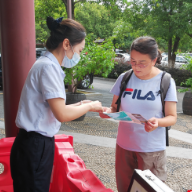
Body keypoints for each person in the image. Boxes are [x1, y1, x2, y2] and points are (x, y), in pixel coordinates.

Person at [10, 16, 103, 192]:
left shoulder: (46, 64)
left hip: (32, 144)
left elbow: (54, 109)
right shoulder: (49, 68)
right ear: (67, 44)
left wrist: (81, 103)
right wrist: (90, 107)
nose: (79, 55)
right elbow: (62, 114)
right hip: (35, 146)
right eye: (80, 50)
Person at [100, 36, 177, 192]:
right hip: (124, 147)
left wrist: (158, 122)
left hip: (151, 150)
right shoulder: (125, 78)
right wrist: (106, 112)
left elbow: (172, 117)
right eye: (133, 61)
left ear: (154, 60)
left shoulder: (165, 81)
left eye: (143, 63)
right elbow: (114, 108)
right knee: (125, 188)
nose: (137, 67)